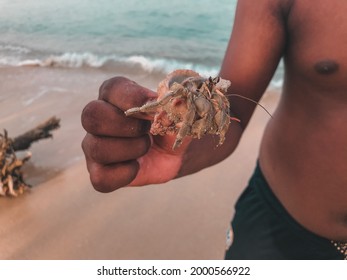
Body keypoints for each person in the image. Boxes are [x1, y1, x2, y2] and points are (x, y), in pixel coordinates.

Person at [81, 0, 347, 259]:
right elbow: (235, 112)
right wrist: (171, 145)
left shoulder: (210, 96)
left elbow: (224, 111)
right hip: (281, 222)